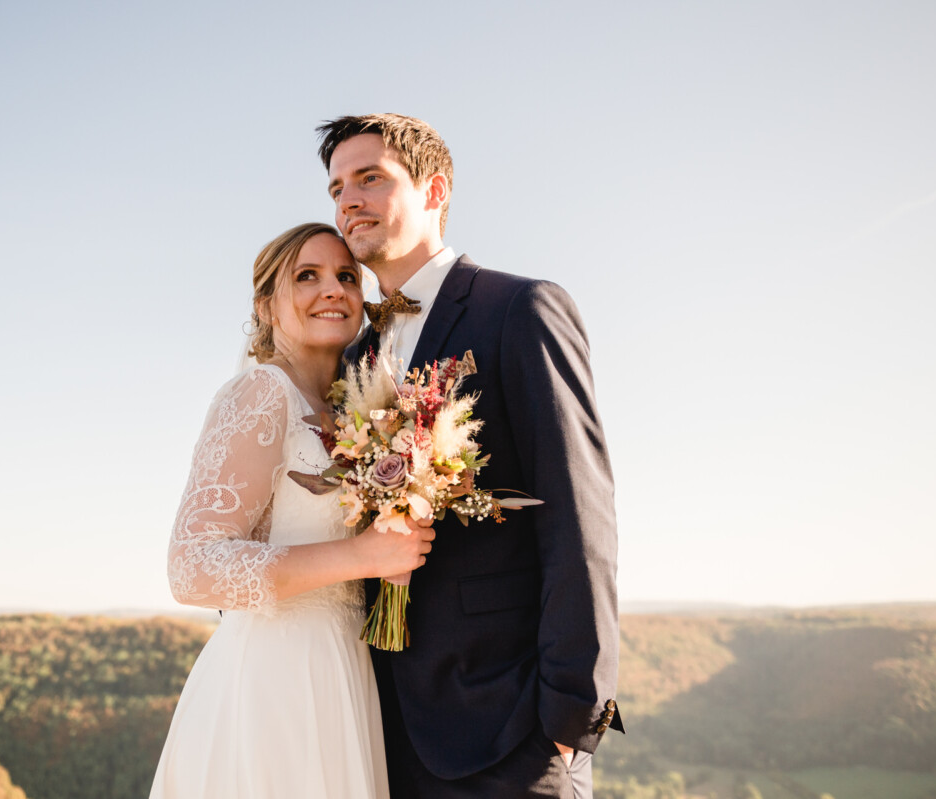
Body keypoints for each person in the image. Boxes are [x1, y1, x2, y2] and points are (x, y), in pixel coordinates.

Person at [318, 114, 623, 799]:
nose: (348, 201)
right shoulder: (352, 353)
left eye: (370, 178)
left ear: (435, 190)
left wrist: (572, 721)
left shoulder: (520, 308)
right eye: (337, 188)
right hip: (376, 729)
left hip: (509, 726)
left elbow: (581, 517)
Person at [148, 222, 435, 799]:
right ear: (265, 306)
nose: (333, 289)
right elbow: (193, 566)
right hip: (273, 680)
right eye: (307, 276)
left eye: (346, 276)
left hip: (345, 669)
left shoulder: (357, 415)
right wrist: (361, 555)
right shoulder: (259, 394)